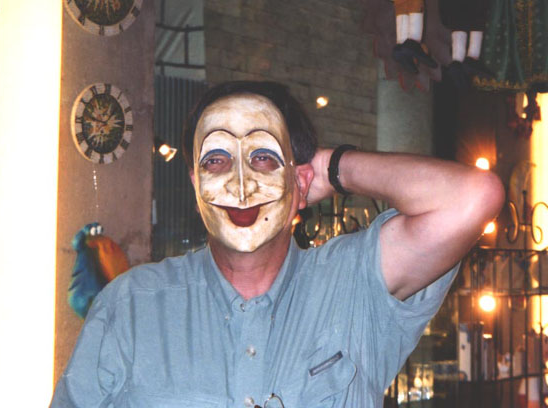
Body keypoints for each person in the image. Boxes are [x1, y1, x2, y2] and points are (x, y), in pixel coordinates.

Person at [50, 81, 504, 407]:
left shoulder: (351, 286)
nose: (240, 184)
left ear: (300, 181)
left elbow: (472, 197)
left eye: (263, 158)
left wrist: (330, 169)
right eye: (216, 160)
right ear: (195, 183)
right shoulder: (131, 305)